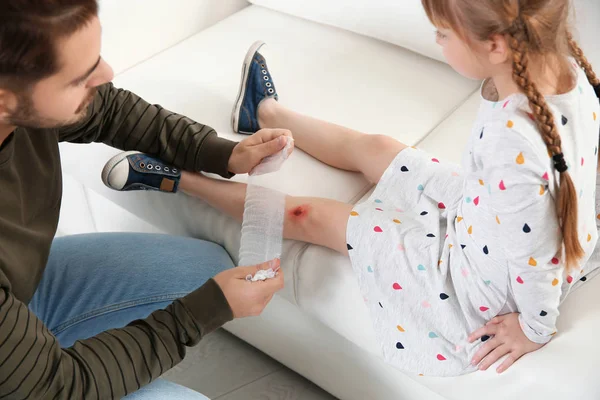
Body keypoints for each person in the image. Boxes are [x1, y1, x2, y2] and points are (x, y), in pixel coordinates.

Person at [107, 0, 600, 377]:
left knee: (311, 217)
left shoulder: (517, 150)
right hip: (478, 211)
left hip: (471, 278)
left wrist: (534, 328)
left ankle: (177, 179)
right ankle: (263, 114)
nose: (437, 41)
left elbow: (540, 255)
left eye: (443, 33)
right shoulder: (566, 71)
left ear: (496, 45)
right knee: (380, 148)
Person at [0, 1, 289, 399]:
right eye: (80, 78)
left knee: (204, 268)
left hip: (18, 300)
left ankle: (24, 351)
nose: (106, 74)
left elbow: (109, 110)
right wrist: (200, 313)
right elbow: (57, 389)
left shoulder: (20, 106)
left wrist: (221, 153)